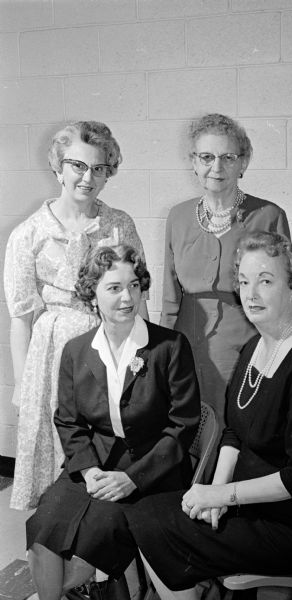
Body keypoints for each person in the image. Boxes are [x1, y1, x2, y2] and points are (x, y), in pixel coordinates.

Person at [129, 231, 292, 599]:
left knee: (158, 526)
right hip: (251, 503)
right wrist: (216, 490)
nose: (251, 293)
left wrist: (224, 497)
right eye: (245, 281)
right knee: (147, 512)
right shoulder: (256, 345)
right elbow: (234, 432)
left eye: (266, 281)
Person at [26, 244, 200, 600]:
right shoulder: (77, 350)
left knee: (91, 542)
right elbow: (68, 421)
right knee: (42, 534)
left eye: (134, 285)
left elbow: (183, 426)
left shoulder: (170, 347)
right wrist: (89, 471)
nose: (127, 297)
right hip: (97, 464)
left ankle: (104, 585)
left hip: (152, 470)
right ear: (92, 294)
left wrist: (132, 480)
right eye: (114, 288)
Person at [4, 120, 149, 511]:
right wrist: (21, 383)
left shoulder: (119, 226)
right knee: (56, 442)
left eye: (100, 168)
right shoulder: (29, 233)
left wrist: (144, 361)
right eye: (78, 166)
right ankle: (56, 543)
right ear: (58, 166)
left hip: (109, 347)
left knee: (105, 444)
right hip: (51, 352)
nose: (88, 177)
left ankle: (100, 556)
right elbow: (20, 316)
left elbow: (138, 298)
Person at [161, 113, 290, 425]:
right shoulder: (177, 217)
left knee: (235, 431)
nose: (216, 167)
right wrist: (162, 354)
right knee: (186, 430)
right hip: (186, 348)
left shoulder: (269, 216)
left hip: (248, 346)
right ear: (193, 162)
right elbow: (169, 296)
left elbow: (285, 295)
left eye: (228, 157)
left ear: (242, 163)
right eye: (206, 157)